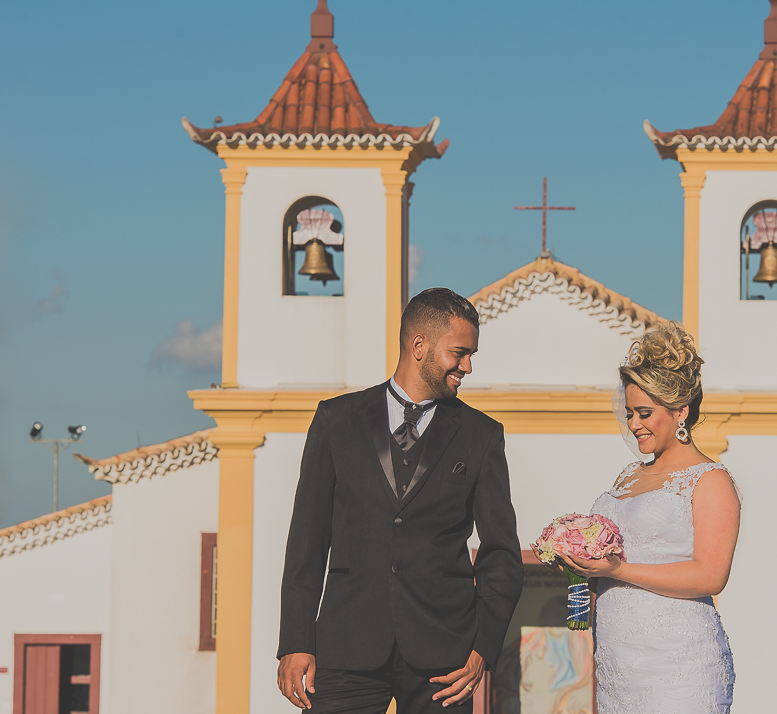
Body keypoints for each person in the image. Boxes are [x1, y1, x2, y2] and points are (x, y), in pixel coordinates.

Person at [277, 288, 523, 713]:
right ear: (419, 345)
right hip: (345, 646)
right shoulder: (336, 420)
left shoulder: (481, 435)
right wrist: (296, 640)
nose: (468, 366)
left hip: (445, 657)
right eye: (460, 353)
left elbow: (501, 551)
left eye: (471, 355)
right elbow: (307, 540)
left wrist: (483, 647)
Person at [561, 321, 740, 714]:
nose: (634, 424)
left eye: (644, 412)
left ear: (681, 412)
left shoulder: (709, 481)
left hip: (678, 663)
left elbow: (711, 576)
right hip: (617, 665)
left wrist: (616, 569)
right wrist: (579, 563)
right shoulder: (628, 475)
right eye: (629, 413)